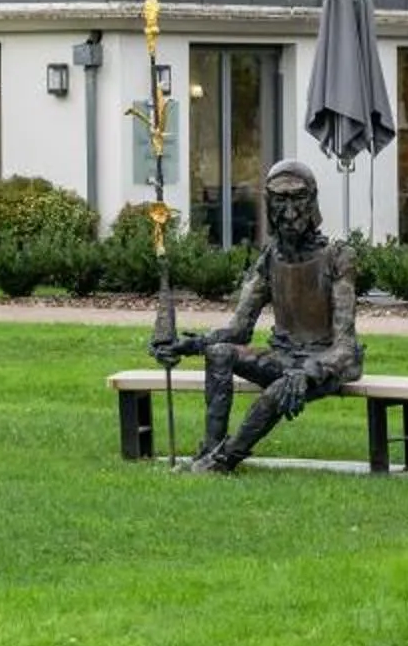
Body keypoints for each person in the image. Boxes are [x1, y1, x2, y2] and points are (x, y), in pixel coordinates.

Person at [151, 159, 362, 473]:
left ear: (312, 201)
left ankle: (222, 463)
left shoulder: (338, 257)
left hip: (327, 364)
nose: (290, 212)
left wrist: (306, 373)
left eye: (298, 199)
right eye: (280, 200)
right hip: (284, 357)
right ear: (269, 204)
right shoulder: (269, 259)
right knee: (220, 353)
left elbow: (344, 346)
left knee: (279, 388)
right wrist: (190, 345)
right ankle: (209, 450)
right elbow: (238, 330)